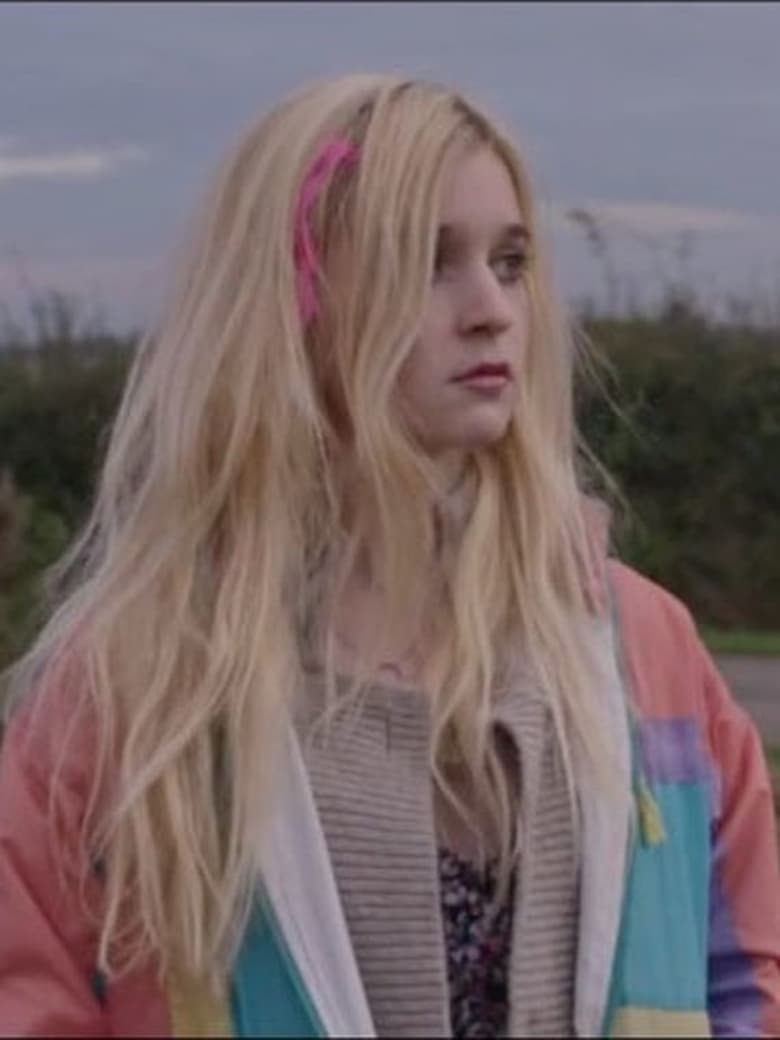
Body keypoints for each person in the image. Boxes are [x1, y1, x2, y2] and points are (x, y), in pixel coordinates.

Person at [0, 72, 778, 1039]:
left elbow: (743, 975)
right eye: (424, 261)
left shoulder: (637, 644)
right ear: (291, 299)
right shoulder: (136, 687)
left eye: (511, 261)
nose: (491, 309)